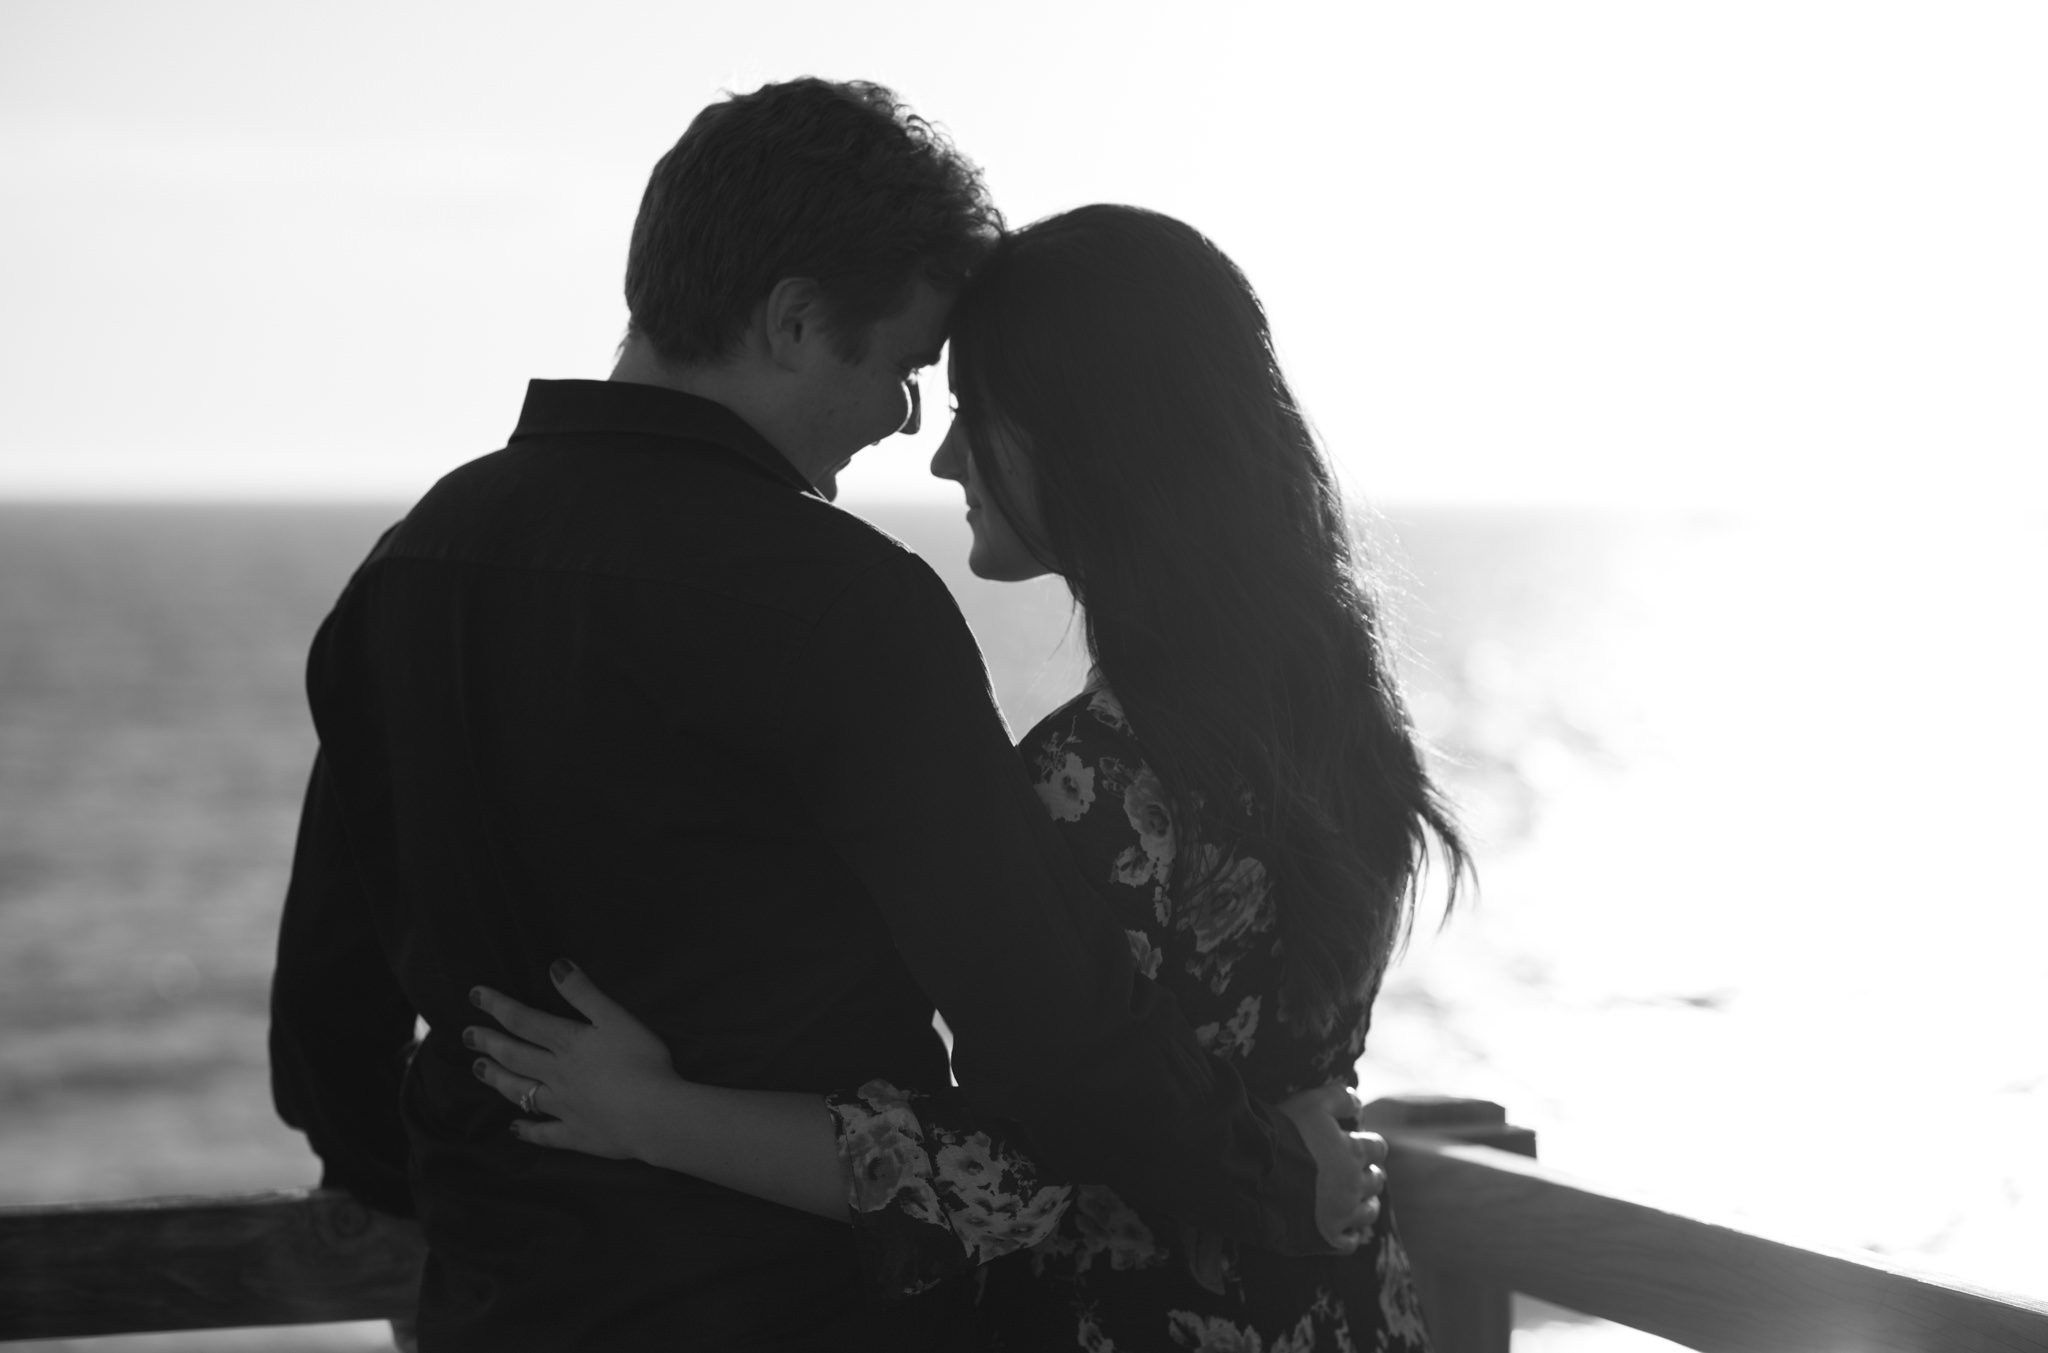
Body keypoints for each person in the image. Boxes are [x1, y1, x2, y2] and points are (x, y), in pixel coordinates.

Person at [268, 81, 1381, 1351]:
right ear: (796, 321)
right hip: (799, 1311)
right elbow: (1054, 1030)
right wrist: (1272, 1180)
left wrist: (439, 1218)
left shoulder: (408, 572)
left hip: (496, 1310)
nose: (908, 422)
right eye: (905, 369)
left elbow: (327, 1021)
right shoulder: (839, 605)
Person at [463, 205, 1471, 1351]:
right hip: (1349, 1314)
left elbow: (1013, 1177)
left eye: (973, 417)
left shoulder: (1098, 779)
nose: (943, 459)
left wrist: (655, 1114)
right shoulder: (1339, 721)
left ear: (1088, 440)